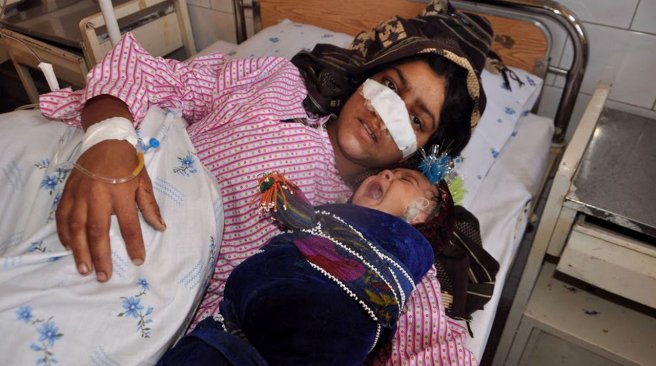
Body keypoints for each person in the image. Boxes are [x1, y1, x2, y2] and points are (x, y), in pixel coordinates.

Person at [37, 0, 492, 363]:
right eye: (390, 85)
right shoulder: (278, 82)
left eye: (415, 118)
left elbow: (426, 330)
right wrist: (109, 138)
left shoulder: (375, 225)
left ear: (423, 153)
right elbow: (154, 75)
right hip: (82, 190)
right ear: (365, 76)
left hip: (137, 307)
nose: (386, 112)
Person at [158, 167, 454, 365]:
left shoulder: (405, 257)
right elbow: (302, 219)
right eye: (386, 171)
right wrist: (279, 191)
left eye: (405, 180)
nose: (387, 173)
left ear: (421, 216)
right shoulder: (326, 219)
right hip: (223, 338)